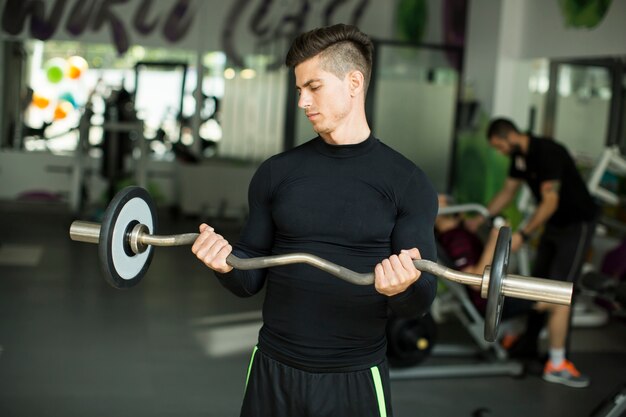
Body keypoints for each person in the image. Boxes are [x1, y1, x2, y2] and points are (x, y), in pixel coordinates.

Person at [191, 24, 438, 417]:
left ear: (353, 82)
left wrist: (402, 287)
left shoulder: (406, 182)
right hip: (273, 368)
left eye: (314, 87)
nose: (303, 101)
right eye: (299, 90)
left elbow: (421, 299)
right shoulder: (277, 173)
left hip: (353, 376)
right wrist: (225, 264)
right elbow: (248, 278)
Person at [466, 118, 598, 388]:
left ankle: (558, 363)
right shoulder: (519, 158)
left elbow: (551, 201)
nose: (501, 151)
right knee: (536, 285)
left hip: (576, 224)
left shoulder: (548, 152)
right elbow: (508, 192)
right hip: (554, 225)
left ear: (510, 135)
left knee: (560, 292)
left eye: (500, 146)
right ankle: (529, 346)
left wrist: (524, 234)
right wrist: (480, 219)